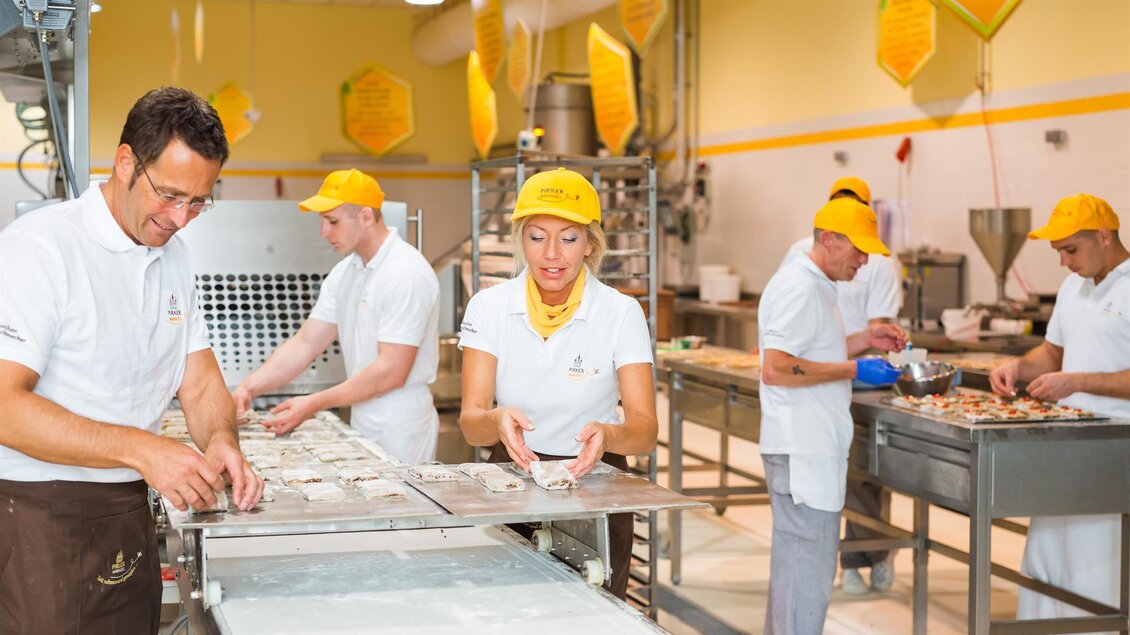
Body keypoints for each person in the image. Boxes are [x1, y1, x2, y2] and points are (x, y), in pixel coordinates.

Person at [0, 86, 263, 633]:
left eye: (198, 202)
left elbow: (199, 379)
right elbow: (4, 407)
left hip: (127, 504)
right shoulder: (41, 249)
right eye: (169, 195)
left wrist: (221, 441)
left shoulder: (174, 256)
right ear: (125, 162)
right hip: (37, 516)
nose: (182, 217)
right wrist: (142, 448)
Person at [458, 167, 658, 599]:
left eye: (568, 238)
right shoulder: (490, 307)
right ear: (520, 239)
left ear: (590, 244)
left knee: (595, 614)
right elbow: (471, 423)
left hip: (597, 485)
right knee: (507, 612)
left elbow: (644, 431)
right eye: (536, 236)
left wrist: (608, 434)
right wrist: (495, 419)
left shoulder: (620, 313)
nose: (551, 253)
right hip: (510, 481)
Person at [758, 197, 907, 634]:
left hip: (810, 449)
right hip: (803, 451)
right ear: (828, 240)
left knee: (798, 573)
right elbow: (777, 367)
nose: (864, 260)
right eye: (858, 249)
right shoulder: (799, 287)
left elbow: (812, 350)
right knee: (806, 577)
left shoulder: (817, 284)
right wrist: (856, 368)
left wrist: (864, 339)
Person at [232, 169, 441, 464]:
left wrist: (314, 403)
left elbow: (392, 371)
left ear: (366, 217)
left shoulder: (404, 273)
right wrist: (249, 387)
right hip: (363, 414)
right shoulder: (346, 272)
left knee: (400, 506)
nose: (323, 232)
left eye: (332, 221)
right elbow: (306, 343)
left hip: (401, 425)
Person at [989, 193, 1130, 628]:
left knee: (1099, 565)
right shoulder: (1074, 286)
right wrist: (1018, 365)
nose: (1064, 263)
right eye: (1058, 252)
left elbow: (1074, 372)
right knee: (1050, 556)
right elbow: (1053, 353)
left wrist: (1077, 381)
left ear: (1104, 236)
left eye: (1070, 249)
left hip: (1114, 452)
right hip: (1067, 445)